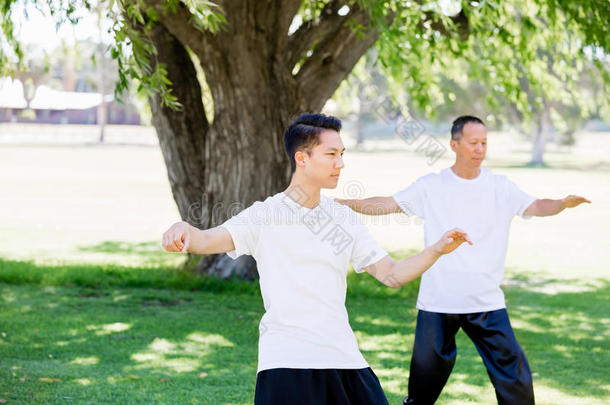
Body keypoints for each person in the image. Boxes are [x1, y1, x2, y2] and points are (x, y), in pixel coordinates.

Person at [162, 113, 471, 405]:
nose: (341, 163)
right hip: (285, 361)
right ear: (302, 158)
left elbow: (391, 274)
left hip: (342, 357)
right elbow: (205, 239)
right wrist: (183, 228)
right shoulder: (265, 215)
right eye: (331, 154)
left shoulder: (343, 218)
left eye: (342, 154)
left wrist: (436, 249)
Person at [336, 115, 591, 405]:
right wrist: (346, 204)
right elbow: (388, 204)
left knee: (515, 380)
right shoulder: (432, 186)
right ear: (454, 145)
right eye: (473, 143)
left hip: (486, 301)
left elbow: (536, 206)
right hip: (438, 301)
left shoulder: (500, 186)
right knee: (423, 386)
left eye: (484, 143)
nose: (480, 149)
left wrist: (561, 204)